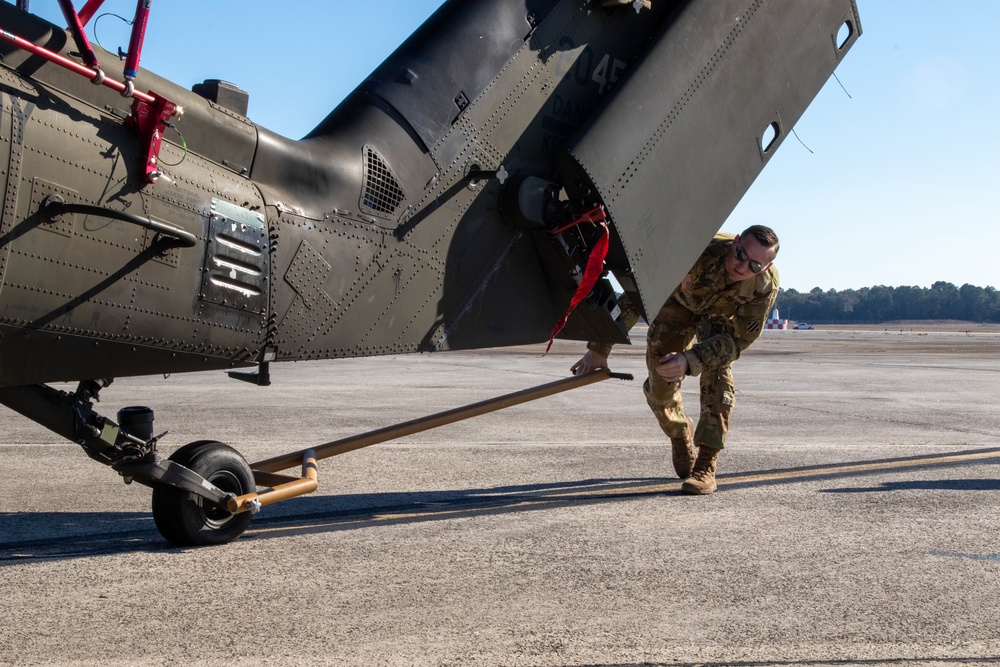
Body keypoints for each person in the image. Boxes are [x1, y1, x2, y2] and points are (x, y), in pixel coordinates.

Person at [571, 225, 780, 495]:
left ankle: (706, 463)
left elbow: (737, 341)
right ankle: (679, 431)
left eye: (754, 265)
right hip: (677, 306)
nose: (742, 267)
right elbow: (639, 293)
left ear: (766, 267)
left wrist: (690, 358)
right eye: (740, 255)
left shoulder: (763, 286)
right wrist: (600, 348)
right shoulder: (696, 247)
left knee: (719, 377)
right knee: (660, 385)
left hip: (719, 322)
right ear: (735, 242)